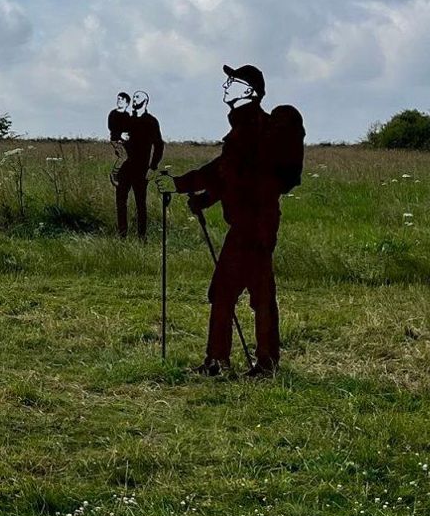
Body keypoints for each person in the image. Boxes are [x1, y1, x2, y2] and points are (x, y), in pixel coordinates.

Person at [169, 65, 301, 377]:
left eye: (234, 81)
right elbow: (235, 177)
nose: (226, 85)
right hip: (259, 222)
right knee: (258, 292)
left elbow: (221, 170)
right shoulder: (248, 127)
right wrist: (205, 199)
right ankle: (262, 362)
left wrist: (178, 184)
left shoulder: (250, 128)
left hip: (250, 225)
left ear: (250, 92)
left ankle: (222, 361)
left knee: (227, 291)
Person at [110, 89, 164, 240]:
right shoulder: (127, 119)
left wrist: (153, 167)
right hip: (125, 168)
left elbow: (159, 145)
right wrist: (119, 136)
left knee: (141, 205)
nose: (134, 100)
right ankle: (122, 236)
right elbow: (114, 135)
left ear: (145, 101)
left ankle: (142, 237)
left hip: (142, 170)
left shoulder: (151, 121)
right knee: (121, 203)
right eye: (133, 97)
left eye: (137, 97)